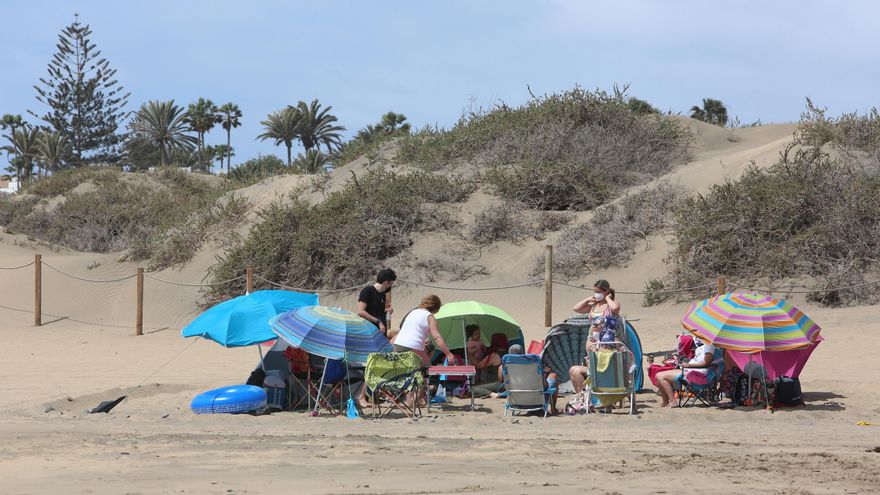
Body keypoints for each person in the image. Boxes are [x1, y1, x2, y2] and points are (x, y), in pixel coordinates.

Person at [393, 295, 455, 366]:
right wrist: (448, 354)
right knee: (427, 368)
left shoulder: (413, 312)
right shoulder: (430, 317)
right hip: (412, 346)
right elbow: (437, 337)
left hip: (397, 344)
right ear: (436, 307)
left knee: (405, 370)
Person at [654, 336, 716, 408]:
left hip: (697, 374)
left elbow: (706, 363)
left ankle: (672, 401)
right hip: (692, 370)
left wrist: (689, 365)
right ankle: (665, 402)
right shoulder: (704, 345)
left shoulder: (709, 346)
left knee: (661, 377)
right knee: (657, 376)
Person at [357, 268, 396, 336]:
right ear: (386, 282)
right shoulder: (367, 291)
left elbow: (378, 312)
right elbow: (361, 312)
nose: (391, 286)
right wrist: (378, 321)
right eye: (391, 283)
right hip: (369, 332)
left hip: (381, 332)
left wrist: (389, 310)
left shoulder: (382, 294)